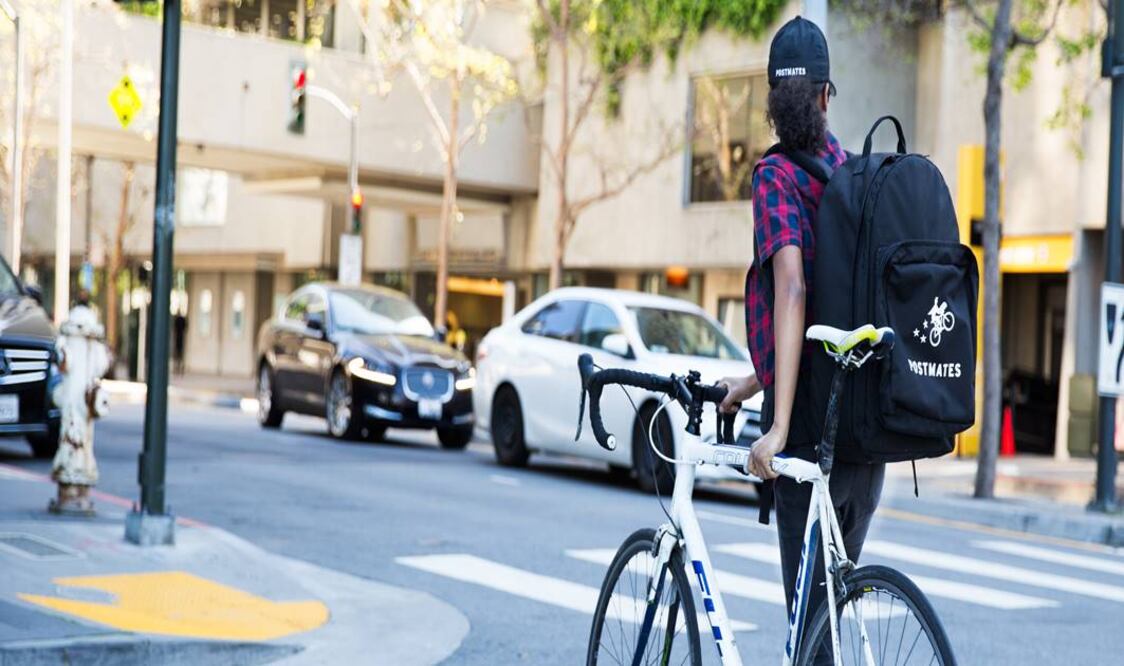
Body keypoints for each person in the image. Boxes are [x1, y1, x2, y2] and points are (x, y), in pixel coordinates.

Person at [718, 16, 885, 658]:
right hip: (866, 430)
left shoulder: (775, 177)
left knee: (808, 630)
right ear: (824, 95)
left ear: (771, 102)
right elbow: (832, 311)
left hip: (813, 430)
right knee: (833, 618)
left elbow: (793, 291)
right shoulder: (853, 174)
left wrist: (779, 423)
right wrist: (752, 378)